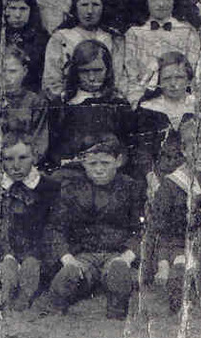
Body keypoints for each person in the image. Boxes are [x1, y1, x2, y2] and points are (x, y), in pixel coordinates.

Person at [44, 133, 144, 319]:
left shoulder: (130, 188)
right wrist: (67, 258)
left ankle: (117, 305)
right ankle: (59, 300)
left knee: (118, 274)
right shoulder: (72, 188)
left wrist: (127, 257)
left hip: (117, 252)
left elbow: (141, 230)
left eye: (105, 163)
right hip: (83, 254)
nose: (99, 169)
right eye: (92, 164)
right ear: (83, 162)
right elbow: (55, 227)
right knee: (73, 275)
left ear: (118, 161)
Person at [0, 132, 60, 311]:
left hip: (38, 251)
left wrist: (34, 255)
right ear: (1, 161)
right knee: (4, 267)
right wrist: (5, 253)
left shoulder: (49, 188)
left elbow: (53, 227)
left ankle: (27, 292)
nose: (16, 166)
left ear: (34, 157)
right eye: (8, 159)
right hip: (5, 248)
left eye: (23, 158)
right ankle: (6, 283)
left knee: (34, 266)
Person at [149, 116, 201, 314]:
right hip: (178, 245)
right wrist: (163, 262)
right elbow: (160, 229)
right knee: (180, 266)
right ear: (184, 150)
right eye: (196, 150)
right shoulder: (172, 184)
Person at [46, 40, 133, 170]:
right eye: (84, 71)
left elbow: (127, 147)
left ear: (108, 70)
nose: (91, 78)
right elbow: (53, 149)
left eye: (98, 70)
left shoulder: (118, 104)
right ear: (75, 72)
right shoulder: (62, 105)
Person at [122, 0, 201, 105]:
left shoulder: (187, 32)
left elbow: (194, 74)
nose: (161, 4)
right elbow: (130, 77)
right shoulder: (134, 33)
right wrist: (138, 101)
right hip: (142, 99)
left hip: (179, 99)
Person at [130, 51, 201, 179]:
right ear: (159, 81)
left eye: (179, 77)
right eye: (167, 79)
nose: (173, 84)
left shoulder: (199, 106)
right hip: (154, 175)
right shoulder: (148, 107)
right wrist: (151, 178)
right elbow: (141, 151)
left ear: (188, 79)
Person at [42, 0, 124, 96]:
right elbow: (51, 82)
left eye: (95, 5)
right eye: (84, 5)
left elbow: (118, 80)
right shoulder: (60, 38)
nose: (89, 11)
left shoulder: (113, 39)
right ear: (75, 7)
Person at [0, 46, 50, 169]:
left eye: (12, 71)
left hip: (28, 165)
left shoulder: (36, 103)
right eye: (1, 71)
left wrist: (28, 162)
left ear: (24, 71)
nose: (6, 77)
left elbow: (40, 141)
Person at [0, 0, 50, 92]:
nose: (18, 15)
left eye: (23, 9)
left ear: (31, 11)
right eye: (12, 8)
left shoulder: (42, 39)